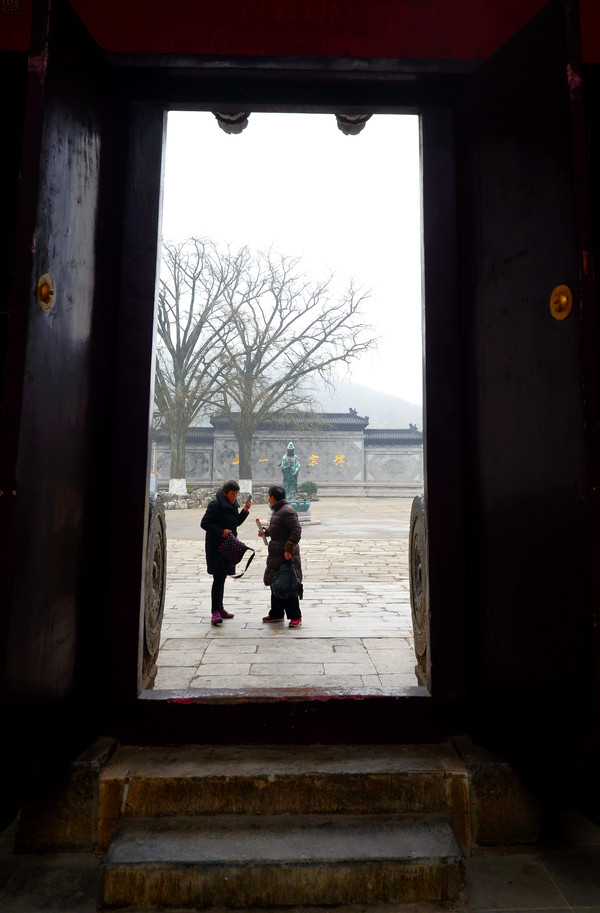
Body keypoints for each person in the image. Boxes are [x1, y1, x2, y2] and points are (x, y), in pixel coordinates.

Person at [201, 480, 251, 626]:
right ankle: (214, 612)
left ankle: (220, 608)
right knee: (218, 578)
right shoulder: (215, 505)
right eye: (232, 494)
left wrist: (244, 512)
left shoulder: (233, 505)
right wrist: (221, 531)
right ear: (225, 492)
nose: (235, 496)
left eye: (236, 494)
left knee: (222, 577)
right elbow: (204, 523)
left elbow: (235, 523)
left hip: (228, 546)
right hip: (216, 547)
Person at [257, 484, 303, 628]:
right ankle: (276, 613)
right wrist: (267, 531)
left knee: (288, 584)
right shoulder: (278, 511)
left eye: (268, 497)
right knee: (275, 582)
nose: (268, 499)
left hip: (285, 554)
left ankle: (295, 616)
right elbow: (279, 529)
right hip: (276, 553)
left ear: (273, 497)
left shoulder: (287, 511)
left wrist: (289, 550)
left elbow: (296, 531)